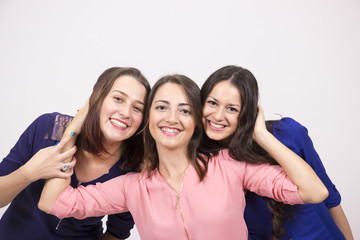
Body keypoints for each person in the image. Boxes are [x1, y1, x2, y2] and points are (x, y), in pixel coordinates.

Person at [38, 74, 328, 240]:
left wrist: (262, 136)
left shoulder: (230, 165)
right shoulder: (132, 186)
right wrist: (75, 126)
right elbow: (53, 202)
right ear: (147, 118)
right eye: (162, 107)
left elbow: (314, 191)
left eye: (185, 110)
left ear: (197, 122)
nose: (172, 118)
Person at [199, 65, 354, 240]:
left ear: (248, 113)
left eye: (232, 108)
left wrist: (261, 135)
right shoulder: (204, 162)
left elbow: (329, 198)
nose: (218, 116)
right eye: (212, 103)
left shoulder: (289, 133)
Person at [0, 67, 151, 240]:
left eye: (137, 108)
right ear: (96, 99)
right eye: (118, 98)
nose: (125, 113)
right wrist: (30, 173)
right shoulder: (49, 127)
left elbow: (117, 233)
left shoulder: (133, 169)